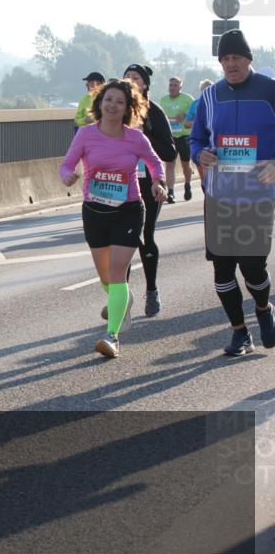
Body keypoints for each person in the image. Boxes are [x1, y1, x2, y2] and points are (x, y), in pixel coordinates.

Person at [60, 79, 167, 358]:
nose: (113, 105)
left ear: (128, 108)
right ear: (99, 103)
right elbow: (67, 164)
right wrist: (67, 176)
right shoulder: (85, 134)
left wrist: (159, 183)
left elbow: (155, 163)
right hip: (94, 212)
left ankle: (112, 336)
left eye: (120, 101)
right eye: (108, 99)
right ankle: (124, 298)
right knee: (107, 278)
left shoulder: (135, 138)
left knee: (118, 273)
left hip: (128, 210)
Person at [190, 29, 275, 357]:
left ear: (248, 59)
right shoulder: (210, 97)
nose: (230, 64)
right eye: (224, 59)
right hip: (219, 195)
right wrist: (201, 155)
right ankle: (239, 333)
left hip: (257, 195)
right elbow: (196, 139)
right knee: (222, 268)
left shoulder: (269, 91)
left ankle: (264, 308)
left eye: (236, 57)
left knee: (253, 267)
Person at [121, 64, 178, 317]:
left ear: (145, 84)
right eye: (128, 77)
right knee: (120, 241)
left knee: (145, 236)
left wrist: (146, 136)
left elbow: (169, 152)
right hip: (120, 182)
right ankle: (120, 295)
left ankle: (152, 290)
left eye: (136, 78)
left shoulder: (154, 112)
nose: (131, 81)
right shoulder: (117, 109)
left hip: (150, 182)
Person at [159, 76, 196, 202]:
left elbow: (196, 113)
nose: (172, 88)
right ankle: (171, 192)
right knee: (170, 164)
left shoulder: (188, 99)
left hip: (184, 135)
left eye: (175, 85)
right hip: (170, 136)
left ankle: (187, 185)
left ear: (180, 87)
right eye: (170, 85)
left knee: (186, 164)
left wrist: (185, 115)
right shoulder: (163, 100)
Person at [183, 78, 213, 183]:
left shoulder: (217, 103)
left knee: (212, 173)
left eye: (209, 89)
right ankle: (205, 192)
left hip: (213, 143)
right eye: (204, 90)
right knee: (203, 176)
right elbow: (186, 123)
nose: (206, 92)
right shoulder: (195, 104)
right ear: (201, 91)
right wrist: (199, 123)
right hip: (199, 141)